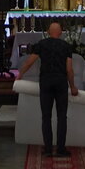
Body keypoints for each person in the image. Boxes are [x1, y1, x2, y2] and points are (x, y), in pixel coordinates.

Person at [18, 21, 79, 156]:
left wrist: (20, 74)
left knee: (46, 116)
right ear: (61, 32)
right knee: (62, 116)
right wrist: (73, 86)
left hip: (45, 81)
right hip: (61, 82)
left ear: (48, 32)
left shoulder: (42, 44)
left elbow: (30, 61)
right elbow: (69, 69)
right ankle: (61, 149)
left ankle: (48, 149)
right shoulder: (66, 46)